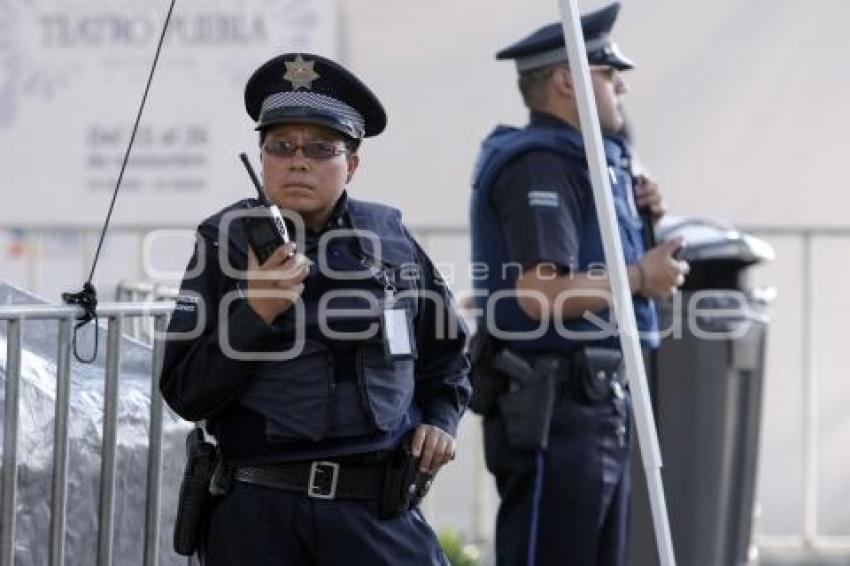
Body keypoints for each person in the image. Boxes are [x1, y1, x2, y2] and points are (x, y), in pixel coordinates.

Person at [160, 52, 470, 565]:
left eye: (320, 148)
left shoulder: (389, 237)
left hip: (375, 514)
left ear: (351, 163)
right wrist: (254, 313)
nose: (297, 161)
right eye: (281, 146)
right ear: (261, 159)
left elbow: (449, 354)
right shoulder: (223, 242)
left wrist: (441, 418)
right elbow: (184, 391)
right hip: (260, 515)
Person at [469, 4, 688, 565]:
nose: (621, 88)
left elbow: (590, 257)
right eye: (609, 75)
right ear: (568, 80)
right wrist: (642, 277)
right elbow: (539, 295)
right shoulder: (541, 164)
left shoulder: (588, 161)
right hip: (556, 405)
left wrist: (642, 221)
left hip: (591, 401)